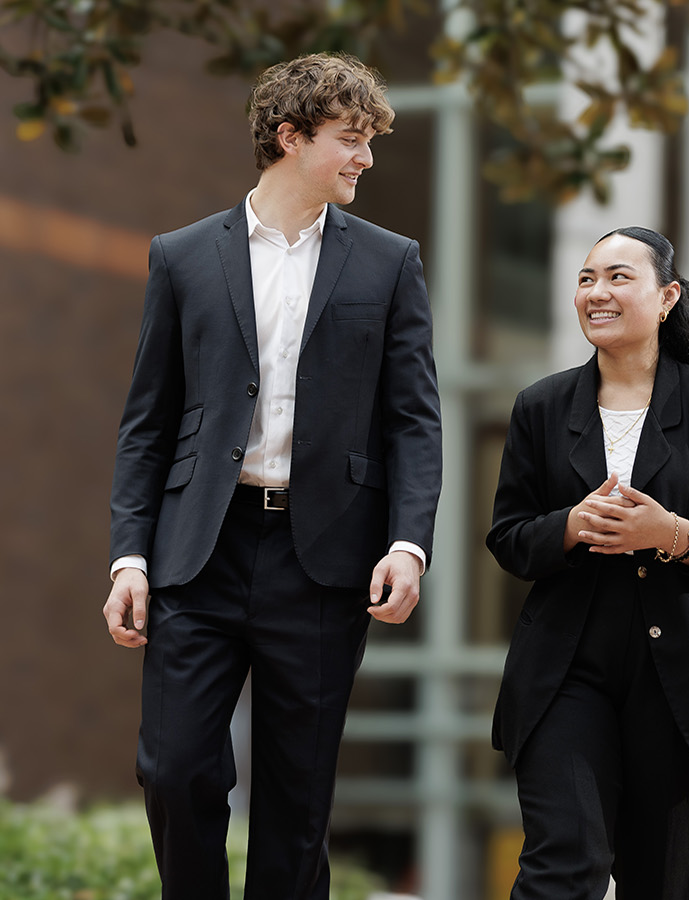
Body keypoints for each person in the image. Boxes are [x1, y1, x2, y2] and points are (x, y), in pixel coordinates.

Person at [100, 53, 443, 899]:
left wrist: (408, 543)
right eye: (350, 139)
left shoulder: (389, 262)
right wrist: (128, 558)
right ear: (289, 137)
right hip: (197, 554)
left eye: (369, 141)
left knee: (297, 800)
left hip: (323, 559)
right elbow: (148, 423)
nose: (366, 158)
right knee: (175, 769)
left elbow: (414, 419)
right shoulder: (181, 258)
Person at [486, 226, 689, 899]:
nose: (597, 292)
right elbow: (508, 537)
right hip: (564, 669)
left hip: (682, 681)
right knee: (563, 865)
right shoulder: (541, 406)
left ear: (667, 296)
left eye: (619, 277)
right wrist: (568, 526)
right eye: (587, 278)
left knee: (666, 883)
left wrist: (673, 533)